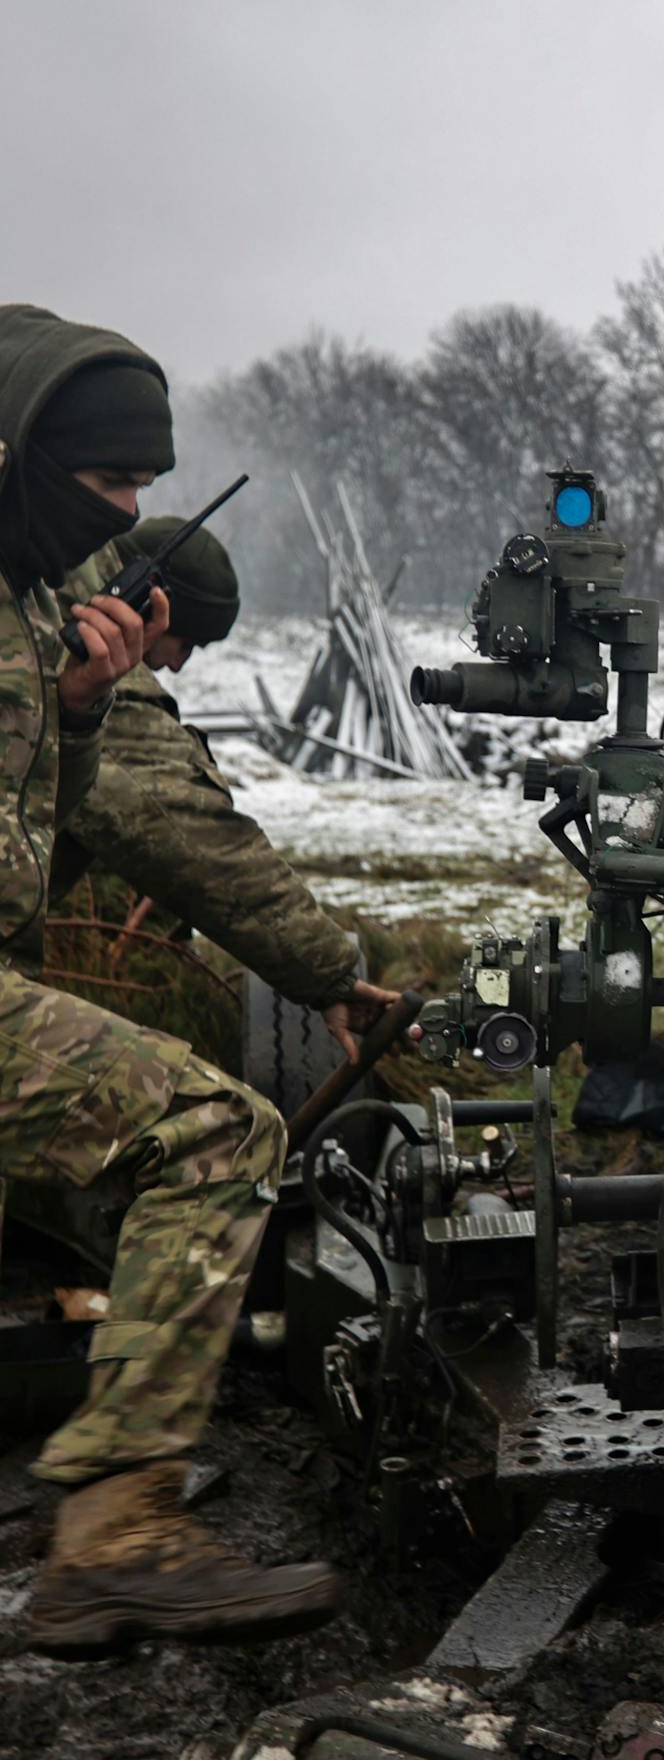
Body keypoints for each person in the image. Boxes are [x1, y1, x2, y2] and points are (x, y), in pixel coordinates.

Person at [0, 303, 342, 1655]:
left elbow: (43, 835)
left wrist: (77, 714)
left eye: (143, 486)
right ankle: (117, 1534)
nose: (124, 512)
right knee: (215, 1132)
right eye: (104, 483)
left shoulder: (34, 604)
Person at [53, 517, 399, 1060]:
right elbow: (192, 836)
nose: (177, 663)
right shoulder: (99, 690)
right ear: (149, 606)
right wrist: (329, 972)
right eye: (183, 640)